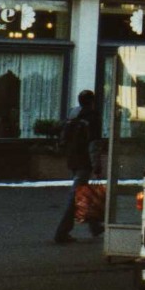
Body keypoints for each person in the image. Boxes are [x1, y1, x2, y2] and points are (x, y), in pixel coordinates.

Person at [53, 90, 104, 244]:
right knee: (76, 195)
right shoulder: (92, 117)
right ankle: (62, 232)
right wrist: (97, 165)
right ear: (92, 101)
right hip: (84, 161)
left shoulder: (73, 116)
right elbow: (93, 144)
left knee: (84, 192)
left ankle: (95, 226)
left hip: (73, 159)